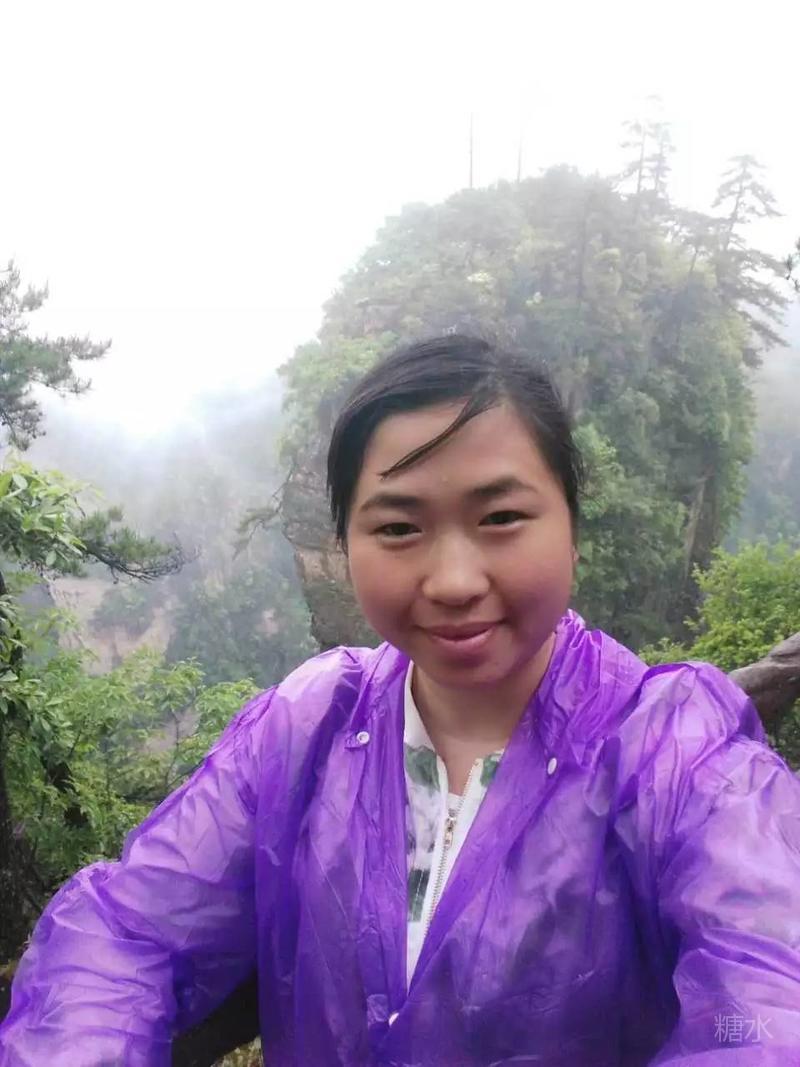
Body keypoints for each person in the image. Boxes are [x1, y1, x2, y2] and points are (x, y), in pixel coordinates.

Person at [1, 334, 799, 1066]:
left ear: (572, 526)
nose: (453, 581)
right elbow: (127, 931)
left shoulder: (677, 753)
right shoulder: (309, 725)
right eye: (397, 528)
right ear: (345, 542)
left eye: (501, 517)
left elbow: (768, 1002)